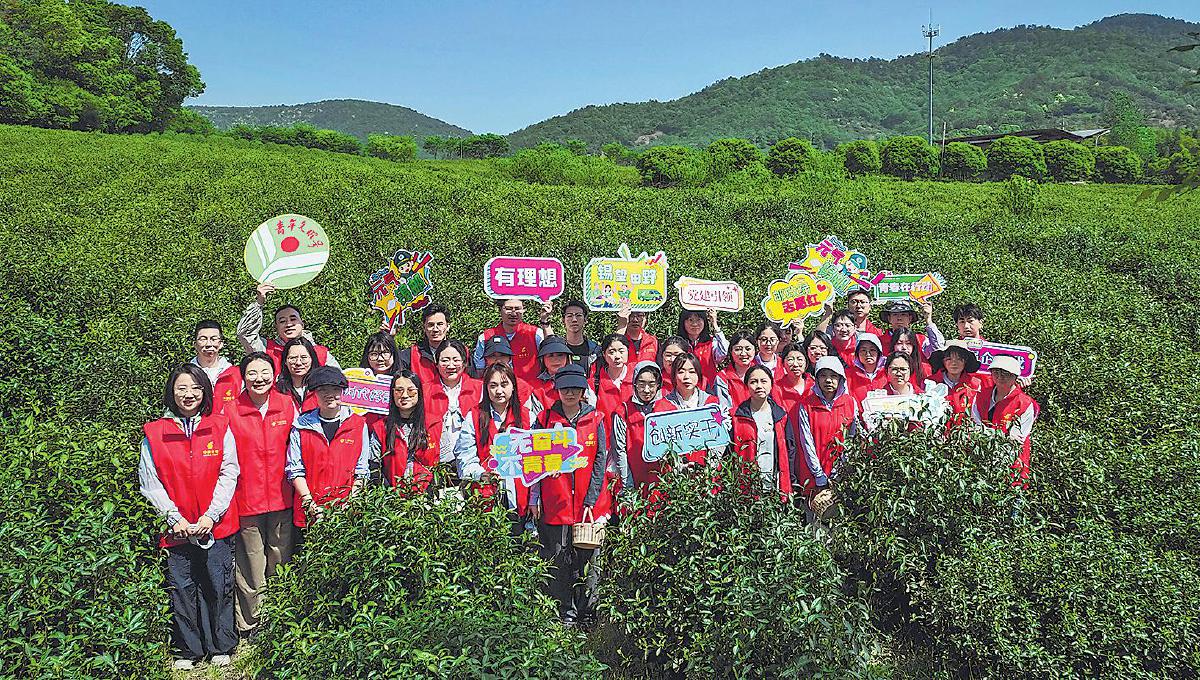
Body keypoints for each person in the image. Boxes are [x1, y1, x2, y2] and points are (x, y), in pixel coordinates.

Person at [138, 364, 240, 670]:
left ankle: (221, 645)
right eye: (181, 388)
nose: (189, 394)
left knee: (218, 584)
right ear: (171, 392)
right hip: (176, 528)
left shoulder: (219, 426)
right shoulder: (155, 433)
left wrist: (211, 515)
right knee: (182, 587)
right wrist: (174, 518)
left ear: (205, 392)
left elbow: (229, 472)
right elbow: (150, 482)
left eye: (196, 388)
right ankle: (188, 650)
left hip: (215, 524)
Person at [530, 364, 611, 627]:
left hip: (589, 503)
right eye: (565, 388)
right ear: (557, 390)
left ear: (583, 390)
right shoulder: (544, 419)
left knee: (589, 560)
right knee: (558, 557)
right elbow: (533, 459)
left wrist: (591, 499)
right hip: (556, 500)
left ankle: (588, 612)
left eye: (575, 388)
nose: (570, 393)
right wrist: (537, 490)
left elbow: (600, 460)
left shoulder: (596, 418)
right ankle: (565, 611)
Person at [223, 352, 296, 636]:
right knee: (251, 564)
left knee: (280, 560)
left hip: (282, 496)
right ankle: (252, 624)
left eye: (265, 372)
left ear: (275, 375)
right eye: (252, 373)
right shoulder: (230, 411)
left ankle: (280, 617)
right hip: (246, 499)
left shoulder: (287, 405)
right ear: (243, 377)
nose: (259, 378)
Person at [285, 366, 370, 529]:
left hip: (347, 511)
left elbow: (362, 470)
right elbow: (295, 469)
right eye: (322, 389)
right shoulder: (301, 425)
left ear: (343, 391)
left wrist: (350, 503)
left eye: (335, 389)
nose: (329, 394)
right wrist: (310, 504)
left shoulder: (358, 425)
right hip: (308, 510)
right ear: (314, 393)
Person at [452, 363, 533, 526]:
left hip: (520, 497)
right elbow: (464, 456)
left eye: (504, 384)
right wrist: (481, 474)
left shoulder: (527, 417)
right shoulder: (474, 416)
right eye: (493, 385)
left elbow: (536, 456)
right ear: (486, 388)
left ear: (513, 386)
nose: (499, 391)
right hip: (484, 495)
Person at [792, 356, 859, 504]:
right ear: (816, 379)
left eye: (833, 376)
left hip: (843, 472)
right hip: (813, 474)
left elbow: (852, 439)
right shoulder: (807, 405)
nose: (828, 380)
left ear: (840, 378)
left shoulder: (849, 403)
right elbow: (806, 441)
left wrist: (840, 469)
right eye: (823, 376)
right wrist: (818, 474)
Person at [971, 355, 1039, 487]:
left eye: (1005, 373)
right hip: (982, 459)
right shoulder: (981, 395)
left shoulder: (1024, 403)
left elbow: (1016, 438)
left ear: (1015, 376)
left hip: (1011, 461)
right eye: (996, 372)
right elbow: (975, 424)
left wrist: (987, 434)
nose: (1000, 377)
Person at [236, 283, 339, 370]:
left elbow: (338, 381)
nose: (289, 324)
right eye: (282, 321)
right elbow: (245, 334)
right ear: (276, 327)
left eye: (293, 319)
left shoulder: (321, 353)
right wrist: (259, 302)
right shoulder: (266, 350)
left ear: (302, 324)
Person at [369, 370, 439, 491]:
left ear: (419, 392)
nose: (404, 395)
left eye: (411, 390)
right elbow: (374, 465)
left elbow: (445, 463)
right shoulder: (381, 427)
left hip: (428, 496)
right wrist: (387, 493)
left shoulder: (435, 424)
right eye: (399, 390)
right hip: (393, 496)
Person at [731, 365, 794, 500]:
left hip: (775, 484)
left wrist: (790, 482)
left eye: (763, 381)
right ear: (747, 386)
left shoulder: (781, 416)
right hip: (747, 485)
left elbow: (790, 450)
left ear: (771, 384)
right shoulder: (737, 417)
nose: (759, 386)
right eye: (754, 382)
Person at [611, 361, 672, 498]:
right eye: (641, 384)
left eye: (651, 384)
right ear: (634, 384)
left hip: (663, 480)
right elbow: (619, 451)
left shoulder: (668, 409)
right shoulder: (623, 411)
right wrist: (628, 485)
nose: (646, 390)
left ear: (659, 385)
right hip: (634, 477)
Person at [426, 340, 482, 475]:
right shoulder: (424, 391)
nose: (450, 365)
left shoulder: (480, 388)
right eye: (445, 360)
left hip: (475, 460)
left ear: (464, 363)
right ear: (436, 363)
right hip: (437, 463)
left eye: (456, 360)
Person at [662, 352, 728, 466]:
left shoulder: (711, 403)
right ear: (674, 375)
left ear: (698, 375)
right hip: (675, 472)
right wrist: (679, 467)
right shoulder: (663, 406)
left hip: (707, 470)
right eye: (681, 372)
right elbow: (661, 446)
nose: (686, 377)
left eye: (692, 372)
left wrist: (710, 466)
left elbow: (719, 439)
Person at [473, 298, 549, 383]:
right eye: (508, 309)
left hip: (531, 388)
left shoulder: (535, 333)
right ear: (500, 310)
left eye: (517, 309)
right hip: (499, 389)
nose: (513, 313)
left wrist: (545, 321)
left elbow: (552, 350)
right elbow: (479, 371)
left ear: (524, 310)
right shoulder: (485, 337)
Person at [190, 320, 242, 413]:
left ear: (221, 344)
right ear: (195, 344)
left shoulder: (236, 374)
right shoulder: (186, 374)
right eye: (203, 339)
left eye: (213, 339)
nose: (208, 344)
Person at [396, 303, 451, 386]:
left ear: (447, 326)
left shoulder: (461, 353)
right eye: (431, 325)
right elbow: (392, 368)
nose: (435, 329)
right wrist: (388, 337)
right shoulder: (411, 354)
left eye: (440, 324)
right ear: (424, 327)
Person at [529, 335, 580, 423]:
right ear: (543, 359)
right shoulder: (534, 387)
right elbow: (536, 417)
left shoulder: (579, 380)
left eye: (560, 355)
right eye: (550, 355)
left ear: (567, 357)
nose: (556, 359)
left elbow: (589, 409)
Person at [928, 339, 984, 418]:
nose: (954, 363)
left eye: (959, 359)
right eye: (949, 359)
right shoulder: (931, 383)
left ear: (965, 361)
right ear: (943, 361)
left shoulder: (975, 385)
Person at [676, 309, 728, 389]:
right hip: (683, 389)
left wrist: (715, 324)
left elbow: (724, 352)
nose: (695, 324)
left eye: (698, 319)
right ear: (683, 322)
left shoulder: (711, 343)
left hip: (708, 390)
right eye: (690, 320)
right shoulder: (677, 344)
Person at [879, 299, 944, 359]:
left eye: (903, 314)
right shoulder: (879, 342)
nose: (899, 318)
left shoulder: (920, 340)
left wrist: (928, 320)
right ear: (889, 318)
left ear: (910, 318)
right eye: (895, 314)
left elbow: (938, 347)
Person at [713, 330, 756, 418]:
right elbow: (725, 411)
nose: (743, 353)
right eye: (738, 349)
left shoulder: (762, 373)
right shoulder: (723, 377)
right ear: (731, 351)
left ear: (755, 350)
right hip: (735, 423)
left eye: (748, 349)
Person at [590, 334, 633, 420]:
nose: (617, 356)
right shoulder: (594, 384)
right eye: (612, 352)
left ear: (628, 351)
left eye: (621, 351)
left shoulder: (636, 378)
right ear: (604, 354)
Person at [276, 337, 321, 411]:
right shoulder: (277, 390)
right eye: (293, 358)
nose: (298, 363)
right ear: (285, 361)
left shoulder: (322, 388)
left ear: (312, 359)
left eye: (304, 357)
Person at [772, 342, 813, 416]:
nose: (795, 364)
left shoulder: (814, 385)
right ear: (783, 364)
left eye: (799, 359)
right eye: (790, 359)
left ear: (806, 363)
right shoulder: (776, 388)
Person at [559, 299, 600, 371]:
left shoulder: (595, 350)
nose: (574, 320)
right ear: (563, 320)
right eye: (569, 316)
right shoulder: (558, 349)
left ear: (585, 320)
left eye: (578, 315)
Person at [614, 300, 658, 365]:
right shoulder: (619, 338)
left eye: (639, 315)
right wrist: (621, 328)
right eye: (630, 315)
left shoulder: (653, 341)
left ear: (645, 319)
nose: (635, 320)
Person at [847, 333, 888, 402]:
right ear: (857, 353)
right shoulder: (849, 375)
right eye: (863, 350)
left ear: (879, 352)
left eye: (872, 350)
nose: (868, 354)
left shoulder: (887, 372)